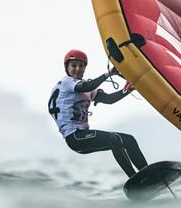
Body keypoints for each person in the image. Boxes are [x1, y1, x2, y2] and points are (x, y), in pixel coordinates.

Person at [48, 49, 148, 178]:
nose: (77, 69)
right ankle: (135, 178)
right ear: (66, 67)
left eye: (81, 66)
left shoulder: (86, 86)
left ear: (85, 68)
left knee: (129, 140)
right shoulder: (67, 82)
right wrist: (109, 74)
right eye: (73, 65)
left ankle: (147, 174)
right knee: (114, 139)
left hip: (83, 135)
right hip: (75, 138)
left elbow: (109, 99)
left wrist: (129, 88)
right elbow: (86, 87)